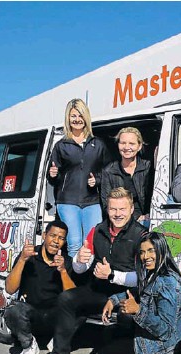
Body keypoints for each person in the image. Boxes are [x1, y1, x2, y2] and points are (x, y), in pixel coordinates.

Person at [26, 187, 146, 354]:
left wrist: (112, 275)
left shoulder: (141, 235)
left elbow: (143, 277)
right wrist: (80, 261)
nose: (117, 214)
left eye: (122, 209)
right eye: (113, 209)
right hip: (98, 290)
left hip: (127, 294)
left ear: (132, 209)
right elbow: (80, 268)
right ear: (107, 209)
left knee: (127, 317)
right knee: (67, 298)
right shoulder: (97, 230)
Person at [96, 232, 181, 354]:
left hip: (166, 347)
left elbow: (165, 330)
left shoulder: (169, 282)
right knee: (108, 334)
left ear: (162, 250)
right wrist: (114, 300)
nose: (146, 256)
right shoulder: (153, 273)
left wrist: (138, 310)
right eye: (142, 252)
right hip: (150, 338)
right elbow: (138, 291)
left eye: (151, 251)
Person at [3, 221, 75, 354]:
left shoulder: (66, 261)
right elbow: (10, 289)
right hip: (31, 314)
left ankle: (57, 340)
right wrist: (22, 259)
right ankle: (29, 346)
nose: (56, 241)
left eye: (61, 238)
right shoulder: (30, 256)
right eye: (53, 236)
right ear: (44, 236)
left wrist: (62, 271)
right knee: (12, 310)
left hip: (54, 317)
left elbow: (74, 297)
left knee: (82, 307)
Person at [47, 98, 109, 256]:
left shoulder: (98, 144)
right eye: (73, 116)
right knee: (74, 244)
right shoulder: (61, 145)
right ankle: (73, 280)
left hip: (92, 201)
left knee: (91, 243)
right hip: (68, 201)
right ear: (68, 118)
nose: (77, 119)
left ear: (86, 118)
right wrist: (52, 174)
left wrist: (97, 179)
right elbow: (53, 178)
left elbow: (108, 171)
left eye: (80, 115)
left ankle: (87, 279)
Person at [100, 127, 153, 227]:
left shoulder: (149, 167)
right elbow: (106, 204)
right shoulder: (109, 171)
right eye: (123, 143)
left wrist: (147, 214)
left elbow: (154, 197)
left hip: (147, 219)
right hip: (120, 220)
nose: (126, 147)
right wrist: (133, 217)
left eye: (132, 143)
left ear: (139, 146)